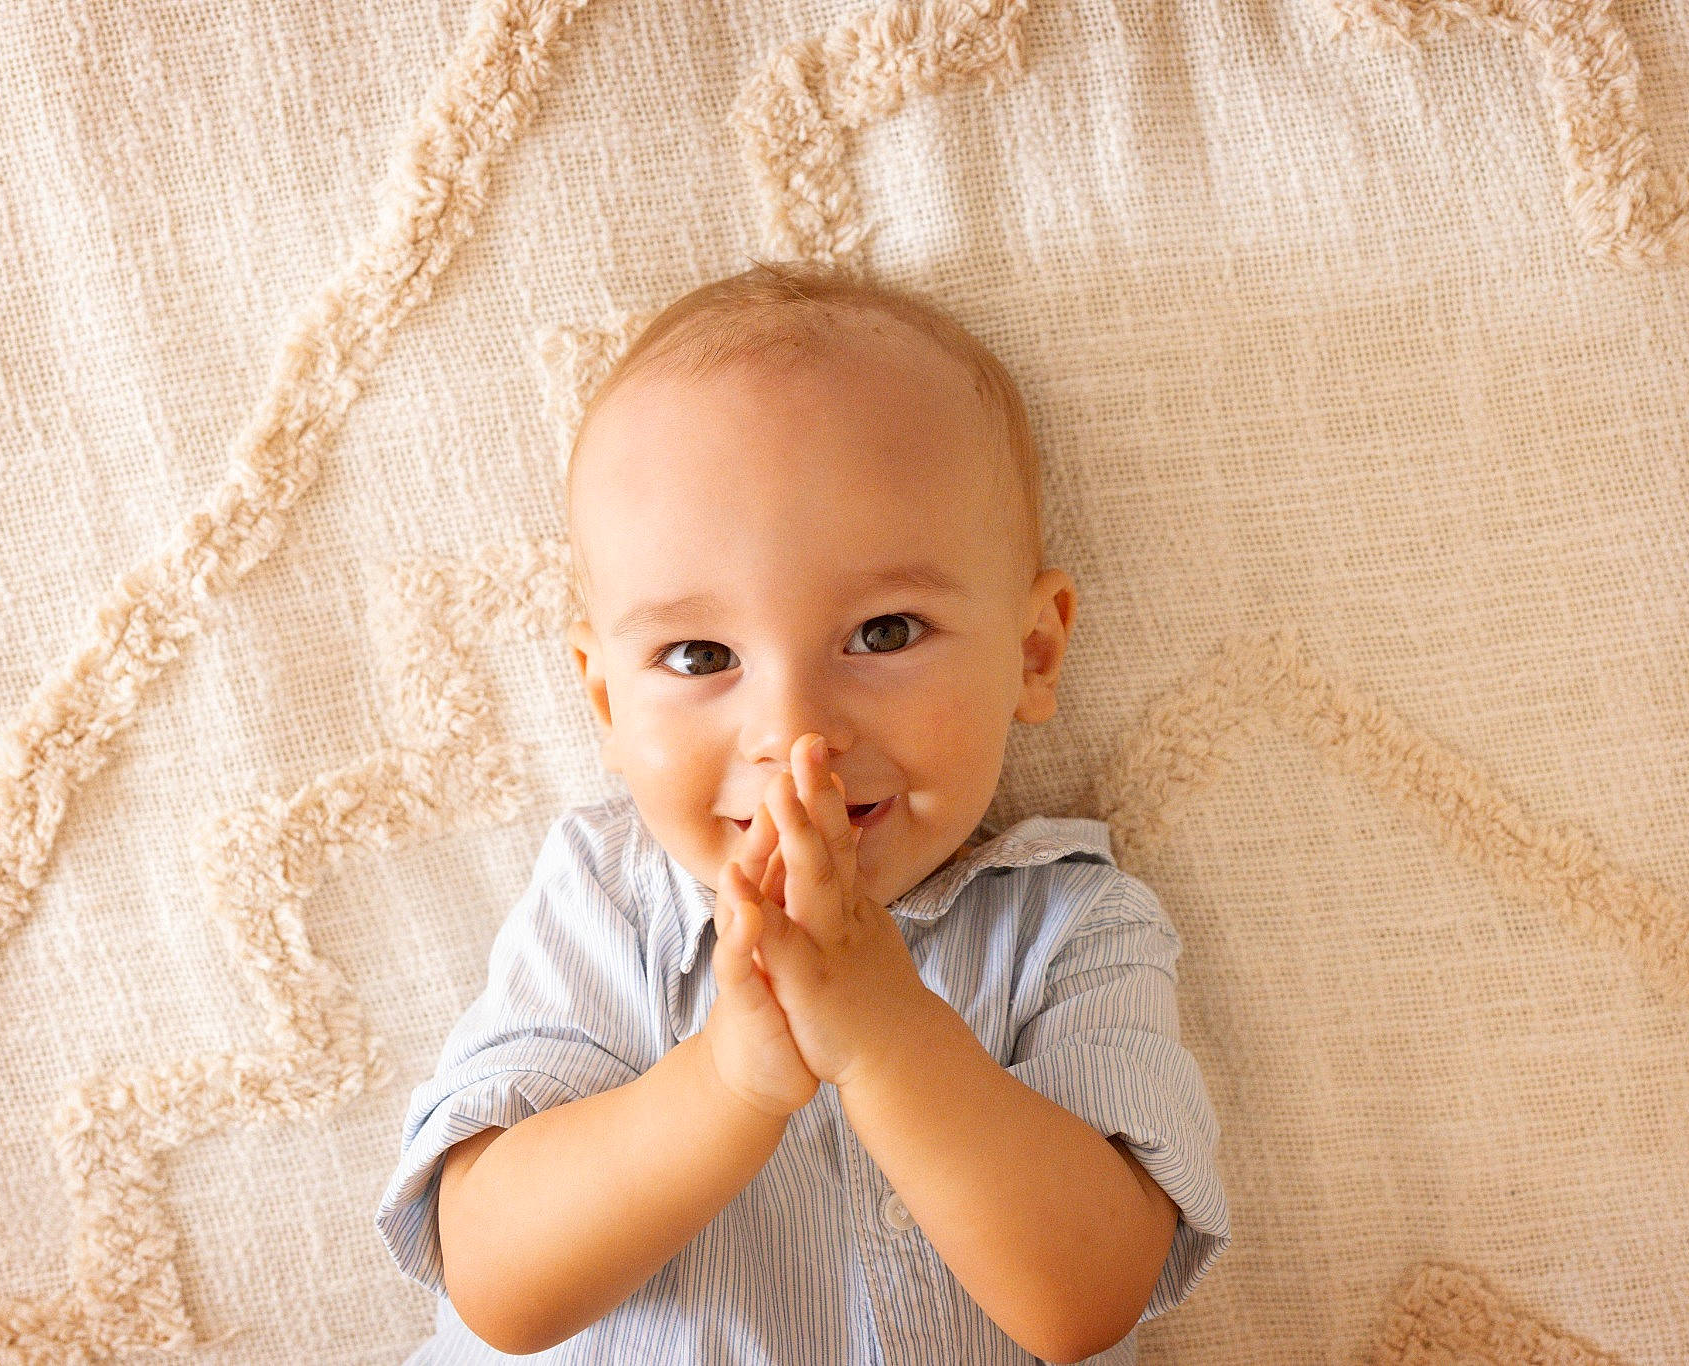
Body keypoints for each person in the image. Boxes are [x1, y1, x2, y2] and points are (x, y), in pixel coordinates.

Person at [374, 258, 1231, 1363]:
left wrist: (884, 1031)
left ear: (1031, 650)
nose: (794, 732)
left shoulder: (1068, 926)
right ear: (603, 698)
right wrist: (726, 1079)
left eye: (882, 633)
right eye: (698, 654)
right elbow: (495, 1279)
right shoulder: (607, 897)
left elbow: (1085, 1297)